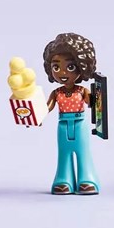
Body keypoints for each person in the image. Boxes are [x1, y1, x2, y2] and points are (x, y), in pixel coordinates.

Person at [43, 32, 100, 195]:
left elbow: (92, 103)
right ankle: (63, 179)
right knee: (64, 153)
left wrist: (97, 98)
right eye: (56, 67)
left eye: (70, 67)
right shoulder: (57, 93)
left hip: (79, 124)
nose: (62, 73)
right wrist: (37, 116)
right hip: (62, 125)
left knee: (83, 152)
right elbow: (47, 107)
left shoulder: (82, 91)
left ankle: (87, 178)